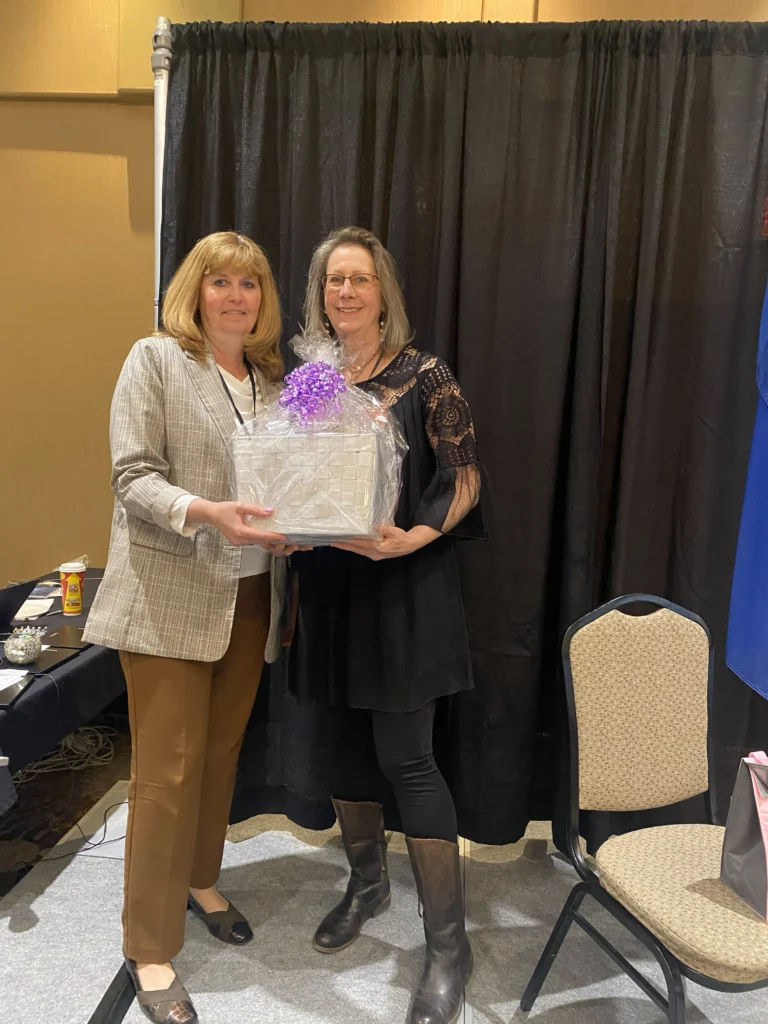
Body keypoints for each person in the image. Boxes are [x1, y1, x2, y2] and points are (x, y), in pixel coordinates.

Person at [83, 231, 297, 1024]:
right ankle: (148, 946)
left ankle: (201, 879)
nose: (236, 296)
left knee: (218, 757)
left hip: (249, 597)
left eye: (249, 282)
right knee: (164, 775)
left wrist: (296, 520)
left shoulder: (273, 382)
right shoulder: (156, 359)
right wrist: (206, 513)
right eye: (220, 282)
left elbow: (286, 479)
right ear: (195, 292)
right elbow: (132, 476)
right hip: (172, 592)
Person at [290, 226, 482, 1024]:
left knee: (409, 761)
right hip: (328, 585)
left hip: (402, 589)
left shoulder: (426, 373)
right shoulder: (307, 376)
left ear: (383, 292)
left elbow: (465, 473)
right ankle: (367, 884)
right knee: (339, 750)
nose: (344, 292)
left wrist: (417, 534)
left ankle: (448, 947)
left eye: (358, 279)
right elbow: (287, 467)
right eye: (333, 280)